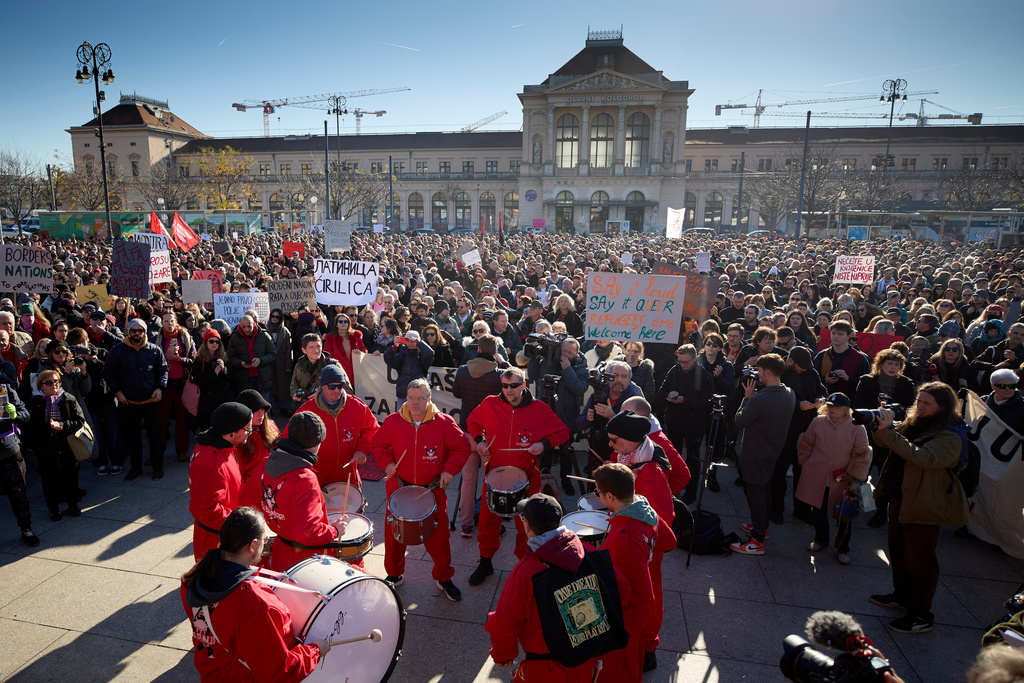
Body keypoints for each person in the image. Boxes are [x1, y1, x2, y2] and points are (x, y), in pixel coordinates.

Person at [485, 493, 627, 682]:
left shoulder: (526, 572)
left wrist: (503, 655)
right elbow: (622, 590)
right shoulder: (588, 551)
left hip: (545, 668)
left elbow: (505, 622)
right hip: (584, 660)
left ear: (527, 526)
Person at [181, 506, 327, 682]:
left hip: (212, 669)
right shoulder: (254, 604)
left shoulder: (196, 574)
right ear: (253, 545)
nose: (266, 543)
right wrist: (316, 650)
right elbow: (279, 673)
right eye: (265, 539)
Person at [869, 382, 969, 634]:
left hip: (925, 502)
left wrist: (890, 431)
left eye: (927, 404)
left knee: (921, 560)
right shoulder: (916, 422)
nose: (920, 407)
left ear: (943, 407)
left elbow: (924, 458)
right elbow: (887, 443)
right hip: (901, 496)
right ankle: (902, 596)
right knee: (900, 552)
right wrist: (880, 423)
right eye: (919, 401)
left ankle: (921, 614)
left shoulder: (952, 433)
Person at [466, 367, 570, 586]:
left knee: (527, 525)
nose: (509, 390)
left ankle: (526, 565)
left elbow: (563, 431)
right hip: (495, 471)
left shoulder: (539, 409)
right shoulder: (490, 403)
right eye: (505, 386)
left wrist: (543, 444)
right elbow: (472, 421)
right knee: (487, 521)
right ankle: (485, 562)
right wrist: (480, 439)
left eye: (514, 385)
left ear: (524, 385)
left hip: (526, 475)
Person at [372, 378, 469, 600]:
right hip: (399, 487)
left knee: (439, 537)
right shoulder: (393, 421)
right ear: (407, 398)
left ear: (429, 399)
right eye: (412, 397)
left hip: (432, 489)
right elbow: (378, 445)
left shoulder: (444, 422)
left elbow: (462, 447)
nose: (415, 403)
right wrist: (386, 463)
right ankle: (394, 574)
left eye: (421, 398)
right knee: (395, 536)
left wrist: (449, 470)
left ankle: (443, 578)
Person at [605, 411, 677, 671]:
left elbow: (662, 518)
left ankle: (649, 648)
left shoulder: (651, 473)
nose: (610, 445)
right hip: (627, 536)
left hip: (645, 548)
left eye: (614, 440)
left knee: (648, 596)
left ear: (632, 440)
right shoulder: (625, 457)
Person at [237, 412, 346, 572]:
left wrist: (276, 518)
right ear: (317, 442)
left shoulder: (265, 464)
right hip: (308, 560)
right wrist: (334, 531)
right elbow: (307, 532)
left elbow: (245, 502)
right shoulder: (305, 479)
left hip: (281, 550)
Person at [593, 462, 667, 681]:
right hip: (637, 611)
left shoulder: (622, 538)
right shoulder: (646, 510)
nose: (598, 497)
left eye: (598, 493)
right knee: (632, 661)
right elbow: (668, 539)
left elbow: (640, 593)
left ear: (610, 496)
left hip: (627, 614)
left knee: (619, 670)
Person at [796, 393, 871, 565]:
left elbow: (862, 454)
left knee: (844, 516)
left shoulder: (857, 427)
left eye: (836, 407)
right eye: (830, 406)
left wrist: (852, 474)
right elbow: (806, 442)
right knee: (818, 511)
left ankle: (843, 549)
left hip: (844, 480)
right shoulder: (818, 422)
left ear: (846, 409)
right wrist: (805, 462)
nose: (832, 409)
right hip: (819, 476)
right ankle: (821, 540)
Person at [731, 354, 796, 555]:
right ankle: (762, 527)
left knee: (756, 493)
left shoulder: (760, 398)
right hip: (773, 451)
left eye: (759, 371)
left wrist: (747, 398)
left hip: (755, 452)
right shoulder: (789, 393)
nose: (757, 375)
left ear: (767, 372)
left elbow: (739, 421)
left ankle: (757, 540)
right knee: (764, 489)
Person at [452, 334, 506, 538]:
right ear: (494, 352)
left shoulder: (463, 370)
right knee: (489, 481)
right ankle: (487, 523)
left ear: (478, 350)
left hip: (467, 432)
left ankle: (466, 525)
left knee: (468, 481)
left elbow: (457, 394)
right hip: (488, 436)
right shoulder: (499, 374)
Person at [291, 364, 378, 489]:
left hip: (348, 477)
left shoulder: (356, 406)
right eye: (332, 386)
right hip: (318, 478)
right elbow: (290, 439)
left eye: (340, 386)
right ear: (322, 386)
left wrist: (362, 448)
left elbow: (373, 429)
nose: (337, 390)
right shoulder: (307, 410)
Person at [103, 319, 168, 481]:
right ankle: (135, 468)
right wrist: (117, 391)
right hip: (129, 402)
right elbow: (108, 372)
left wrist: (160, 387)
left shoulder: (154, 350)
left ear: (145, 332)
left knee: (155, 436)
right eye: (134, 331)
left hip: (150, 402)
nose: (137, 334)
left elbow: (163, 370)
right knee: (133, 438)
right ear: (128, 332)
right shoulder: (118, 351)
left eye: (140, 331)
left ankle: (157, 467)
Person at [188, 402, 252, 562]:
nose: (250, 433)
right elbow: (206, 510)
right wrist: (242, 524)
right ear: (231, 432)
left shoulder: (215, 446)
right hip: (218, 542)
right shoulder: (213, 463)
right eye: (247, 429)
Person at [776, 346, 828, 523]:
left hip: (807, 429)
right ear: (790, 361)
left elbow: (822, 390)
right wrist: (798, 404)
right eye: (801, 365)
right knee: (779, 472)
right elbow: (776, 397)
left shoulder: (811, 373)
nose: (804, 368)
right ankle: (776, 508)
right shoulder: (781, 373)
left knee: (804, 472)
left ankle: (802, 509)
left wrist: (820, 399)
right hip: (786, 429)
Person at [656, 344, 713, 504]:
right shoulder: (674, 371)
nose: (682, 365)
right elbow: (661, 391)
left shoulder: (704, 376)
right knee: (673, 456)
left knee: (693, 458)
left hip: (694, 422)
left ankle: (691, 491)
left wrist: (684, 401)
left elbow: (707, 403)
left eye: (686, 362)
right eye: (680, 361)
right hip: (674, 420)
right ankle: (673, 488)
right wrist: (669, 395)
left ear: (695, 359)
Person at [28, 369, 87, 520]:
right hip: (45, 449)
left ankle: (73, 505)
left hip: (67, 445)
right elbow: (29, 427)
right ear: (41, 386)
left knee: (71, 477)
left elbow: (80, 421)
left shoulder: (67, 398)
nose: (54, 385)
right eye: (49, 382)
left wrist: (62, 425)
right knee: (49, 481)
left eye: (56, 381)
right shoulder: (35, 402)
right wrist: (47, 427)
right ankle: (53, 509)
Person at [577, 360, 644, 468]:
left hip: (624, 456)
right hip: (597, 451)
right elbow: (580, 424)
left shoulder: (635, 397)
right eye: (615, 376)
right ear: (607, 378)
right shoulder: (598, 394)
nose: (619, 380)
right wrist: (588, 419)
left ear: (629, 379)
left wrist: (612, 416)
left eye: (624, 376)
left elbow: (639, 430)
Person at [620, 396, 691, 497]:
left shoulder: (660, 442)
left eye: (626, 416)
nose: (620, 419)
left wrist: (659, 493)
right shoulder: (632, 433)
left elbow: (682, 474)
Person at [152, 310, 196, 463]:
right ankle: (158, 452)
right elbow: (150, 363)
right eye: (165, 321)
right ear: (161, 323)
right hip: (163, 386)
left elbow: (193, 361)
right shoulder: (155, 339)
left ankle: (182, 451)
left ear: (176, 321)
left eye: (172, 321)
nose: (169, 324)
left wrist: (179, 359)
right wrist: (164, 357)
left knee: (182, 420)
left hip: (181, 385)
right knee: (161, 420)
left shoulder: (186, 338)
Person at [0, 377, 35, 545]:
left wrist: (14, 414)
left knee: (18, 494)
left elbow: (25, 414)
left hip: (8, 450)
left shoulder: (4, 388)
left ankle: (26, 530)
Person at [189, 330, 234, 432]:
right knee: (209, 428)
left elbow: (231, 377)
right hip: (207, 400)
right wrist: (214, 374)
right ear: (206, 343)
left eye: (217, 342)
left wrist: (223, 369)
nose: (214, 344)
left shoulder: (223, 358)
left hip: (223, 398)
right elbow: (196, 379)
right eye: (211, 341)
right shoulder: (199, 360)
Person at [813, 320, 871, 399]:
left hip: (850, 402)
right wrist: (824, 379)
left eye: (840, 334)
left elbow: (867, 384)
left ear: (848, 336)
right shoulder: (821, 356)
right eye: (833, 333)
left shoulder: (860, 358)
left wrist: (848, 378)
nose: (836, 336)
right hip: (826, 400)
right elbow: (811, 379)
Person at [289, 333, 345, 410]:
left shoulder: (333, 365)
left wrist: (322, 393)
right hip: (306, 408)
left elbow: (347, 389)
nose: (316, 350)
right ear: (304, 350)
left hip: (328, 409)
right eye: (311, 347)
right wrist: (296, 393)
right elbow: (293, 386)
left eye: (318, 346)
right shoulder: (299, 366)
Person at [226, 315, 276, 398]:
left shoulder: (264, 335)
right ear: (240, 326)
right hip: (243, 379)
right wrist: (240, 363)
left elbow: (273, 353)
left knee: (264, 406)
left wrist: (261, 360)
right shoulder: (234, 338)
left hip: (261, 377)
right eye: (244, 327)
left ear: (254, 324)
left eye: (249, 326)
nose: (246, 329)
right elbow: (230, 357)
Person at [235, 390, 278, 485]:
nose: (261, 414)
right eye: (255, 410)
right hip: (252, 486)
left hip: (273, 481)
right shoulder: (236, 437)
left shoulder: (271, 427)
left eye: (263, 409)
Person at [384, 329, 434, 409]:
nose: (410, 344)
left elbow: (430, 353)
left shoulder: (421, 356)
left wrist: (419, 342)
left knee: (417, 418)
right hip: (403, 393)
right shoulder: (401, 354)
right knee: (401, 419)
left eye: (413, 341)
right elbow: (389, 359)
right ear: (405, 341)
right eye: (408, 341)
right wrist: (394, 347)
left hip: (418, 394)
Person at [323, 312, 366, 388]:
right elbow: (327, 356)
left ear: (348, 323)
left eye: (345, 321)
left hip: (356, 373)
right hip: (339, 373)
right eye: (340, 321)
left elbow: (364, 349)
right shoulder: (330, 338)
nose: (343, 323)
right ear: (336, 324)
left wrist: (361, 352)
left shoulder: (356, 336)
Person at [265, 308, 294, 417]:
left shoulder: (285, 331)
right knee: (270, 386)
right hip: (270, 362)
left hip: (281, 364)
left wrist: (288, 366)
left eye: (277, 317)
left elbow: (288, 350)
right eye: (273, 316)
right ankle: (271, 407)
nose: (275, 319)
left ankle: (284, 407)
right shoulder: (266, 330)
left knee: (283, 387)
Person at [983, 368, 1024, 434]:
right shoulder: (982, 402)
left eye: (1011, 386)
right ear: (993, 386)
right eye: (1002, 386)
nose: (1007, 389)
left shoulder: (1022, 406)